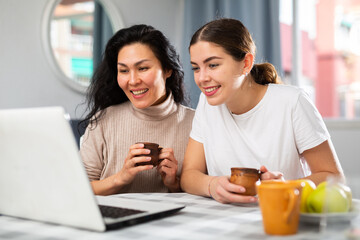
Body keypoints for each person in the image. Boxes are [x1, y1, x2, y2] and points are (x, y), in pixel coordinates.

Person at [180, 18, 344, 204]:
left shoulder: (292, 102)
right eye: (196, 68)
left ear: (246, 63)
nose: (201, 78)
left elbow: (334, 178)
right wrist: (212, 184)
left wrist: (285, 187)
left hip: (281, 218)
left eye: (213, 65)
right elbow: (189, 175)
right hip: (224, 223)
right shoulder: (206, 104)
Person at [79, 24, 194, 195]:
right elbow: (79, 188)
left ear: (168, 69)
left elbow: (204, 190)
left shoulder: (196, 123)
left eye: (142, 68)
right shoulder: (103, 120)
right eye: (124, 70)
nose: (132, 81)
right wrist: (121, 178)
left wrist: (174, 184)